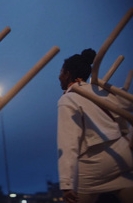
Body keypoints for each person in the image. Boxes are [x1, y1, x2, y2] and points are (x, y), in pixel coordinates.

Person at [57, 48, 133, 203]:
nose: (59, 76)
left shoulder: (68, 99)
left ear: (67, 74)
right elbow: (127, 102)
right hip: (123, 153)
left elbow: (68, 142)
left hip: (95, 162)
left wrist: (66, 183)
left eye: (61, 72)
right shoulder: (100, 89)